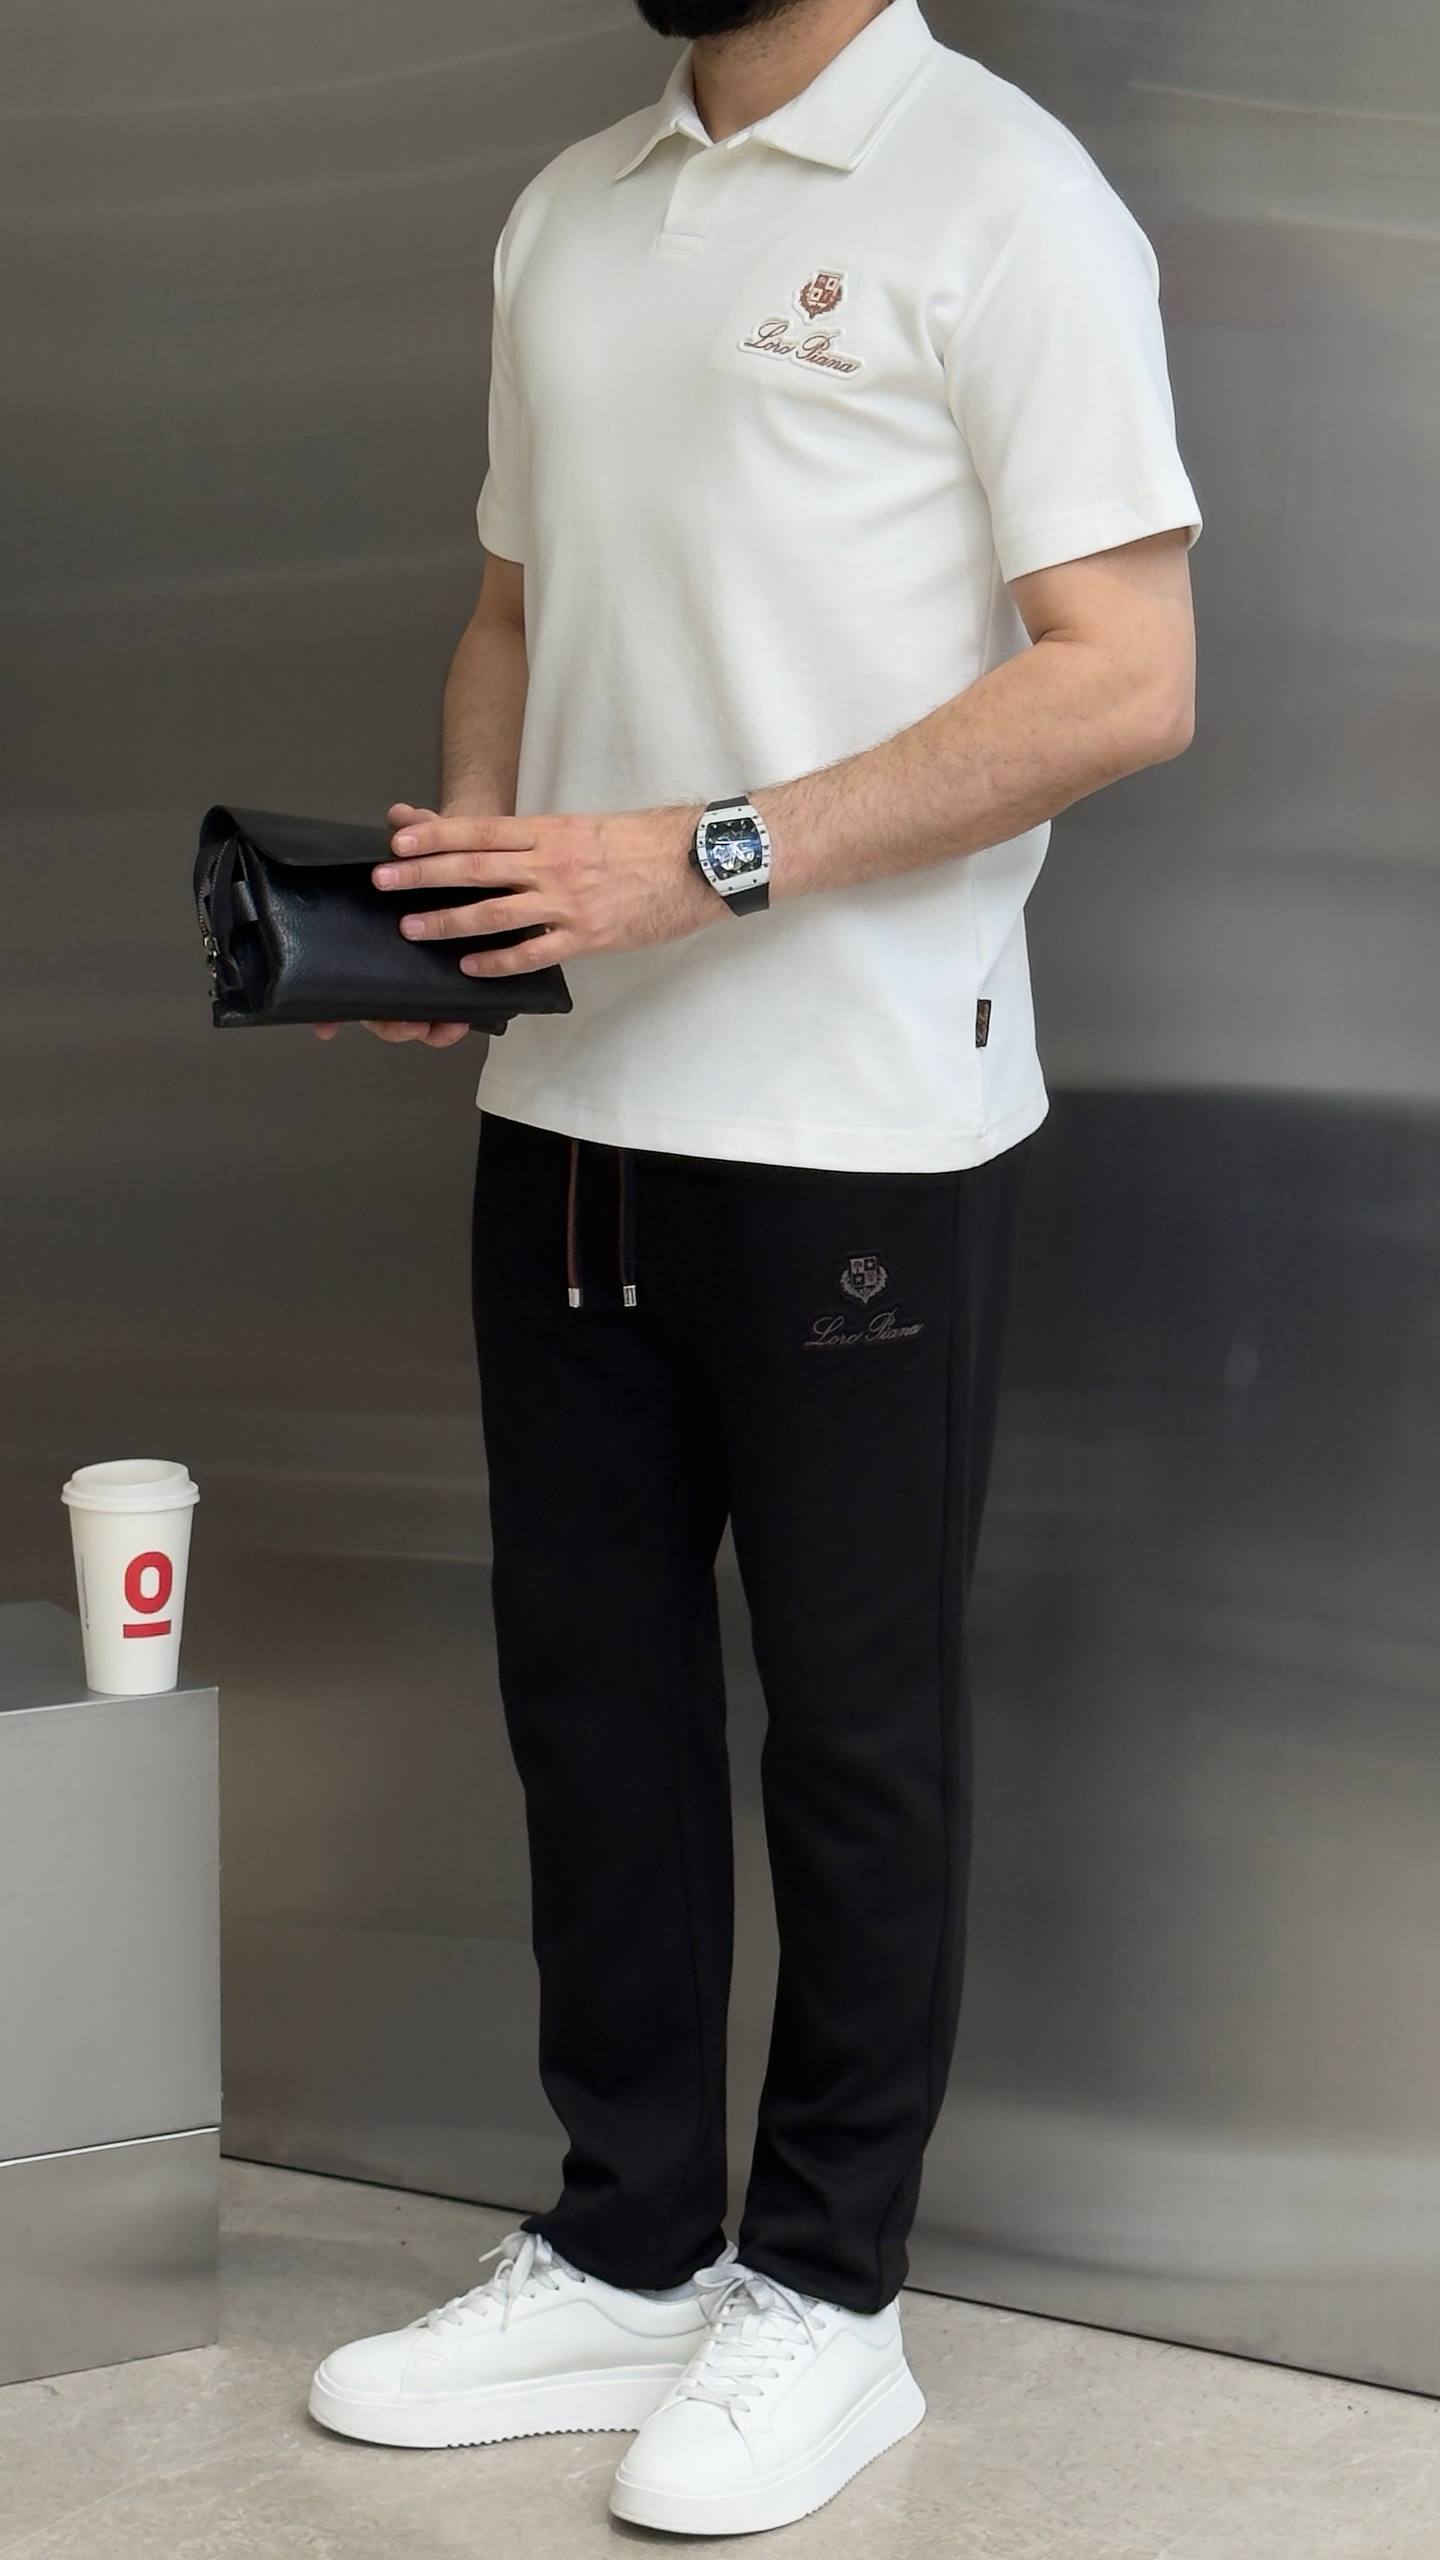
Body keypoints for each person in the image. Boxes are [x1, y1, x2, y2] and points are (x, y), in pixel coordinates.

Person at [308, 0, 1199, 2533]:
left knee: (853, 1728)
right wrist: (477, 889)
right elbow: (516, 607)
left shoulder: (1006, 196)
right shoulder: (567, 212)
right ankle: (626, 2240)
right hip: (572, 1109)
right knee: (589, 1700)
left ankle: (827, 2292)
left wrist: (694, 859)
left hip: (864, 1124)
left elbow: (1128, 676)